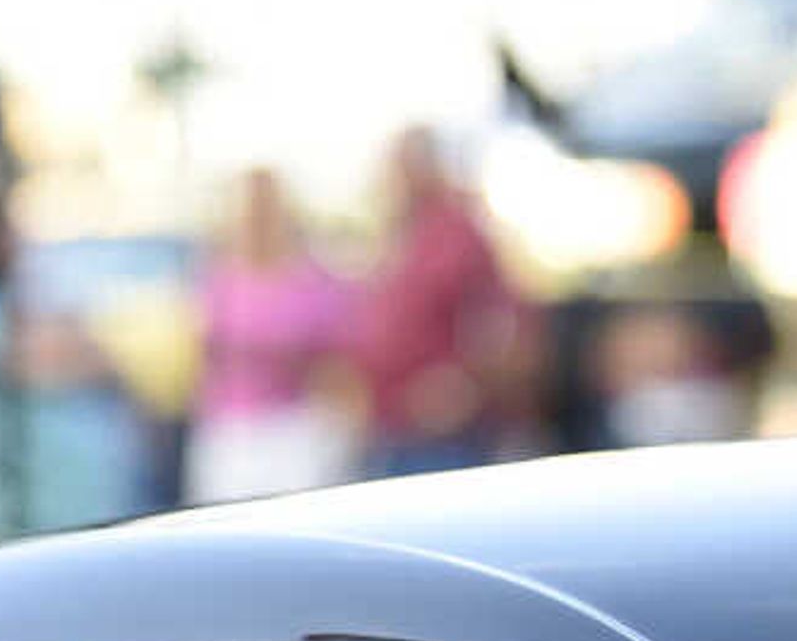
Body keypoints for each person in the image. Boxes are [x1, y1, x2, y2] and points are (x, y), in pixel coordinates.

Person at [348, 125, 539, 474]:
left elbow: (501, 326)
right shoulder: (397, 236)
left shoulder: (459, 235)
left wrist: (465, 384)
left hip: (440, 438)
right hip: (389, 427)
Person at [181, 164, 357, 504]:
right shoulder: (219, 279)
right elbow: (203, 356)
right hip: (231, 431)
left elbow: (336, 362)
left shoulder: (312, 280)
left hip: (291, 430)